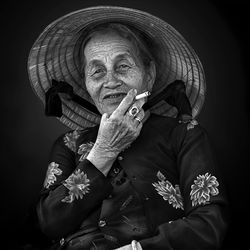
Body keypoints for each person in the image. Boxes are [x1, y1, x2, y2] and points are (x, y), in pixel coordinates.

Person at [27, 6, 228, 250]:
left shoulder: (183, 134)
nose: (110, 81)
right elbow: (49, 223)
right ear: (87, 84)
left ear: (149, 74)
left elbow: (209, 225)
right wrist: (104, 150)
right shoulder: (70, 144)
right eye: (97, 71)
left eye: (123, 66)